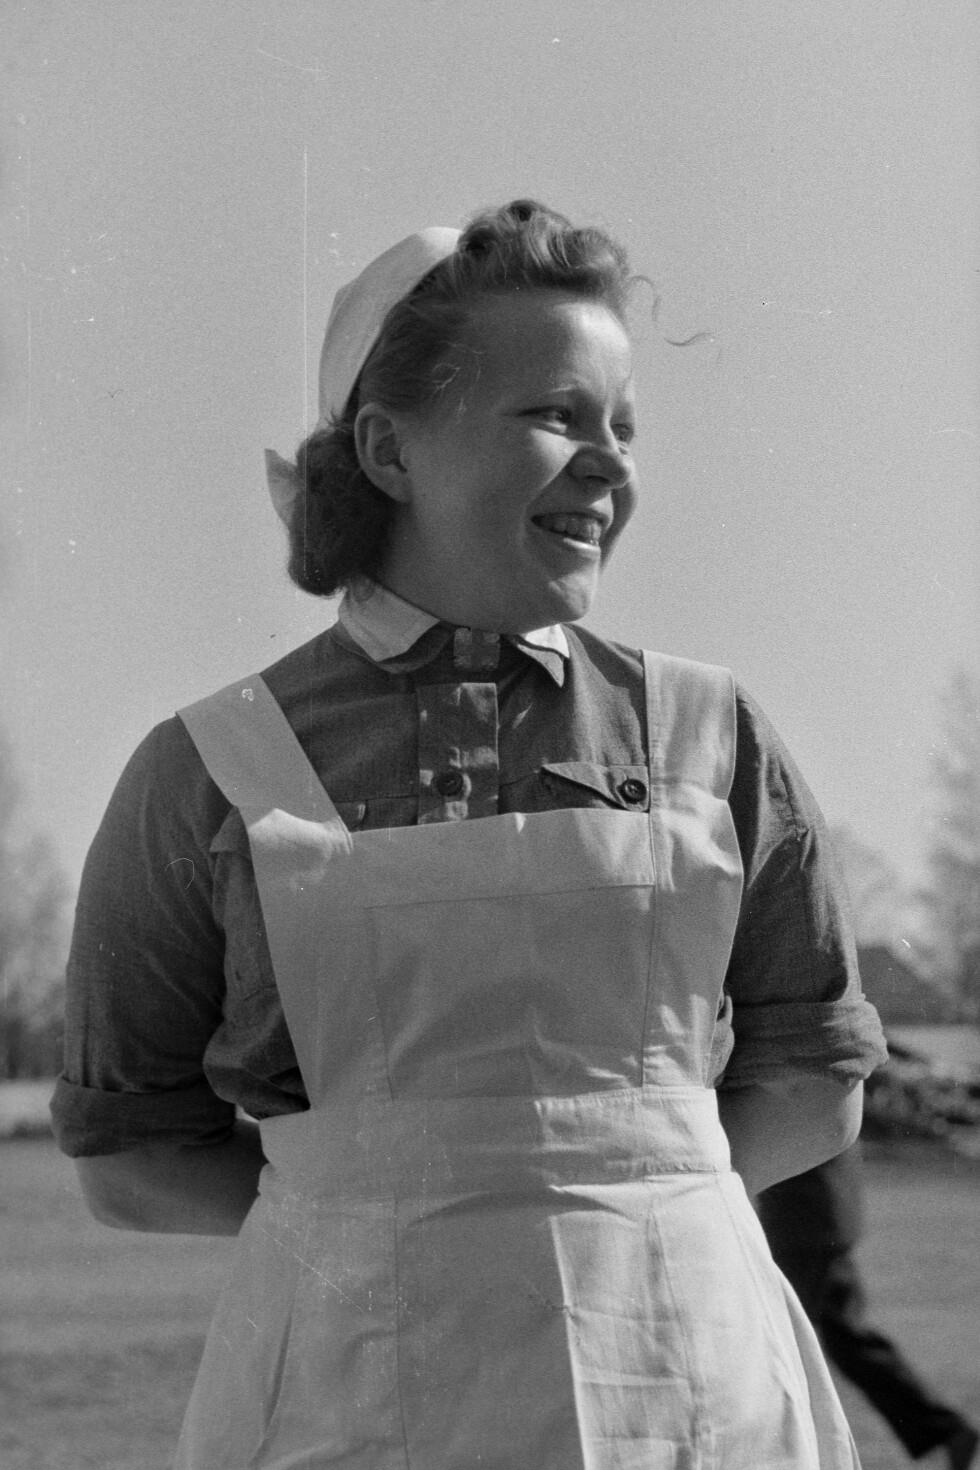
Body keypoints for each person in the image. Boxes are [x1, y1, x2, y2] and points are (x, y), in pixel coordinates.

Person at [52, 199, 889, 1468]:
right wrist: (369, 1214)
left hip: (683, 1394)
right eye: (556, 415)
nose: (608, 465)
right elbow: (131, 1159)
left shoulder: (713, 735)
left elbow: (814, 1082)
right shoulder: (208, 770)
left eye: (622, 426)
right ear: (388, 449)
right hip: (341, 1405)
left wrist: (616, 1204)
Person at [758, 1144, 979, 1470]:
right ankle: (943, 1430)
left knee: (785, 1341)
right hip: (815, 1218)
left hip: (805, 1221)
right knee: (836, 1339)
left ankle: (944, 1430)